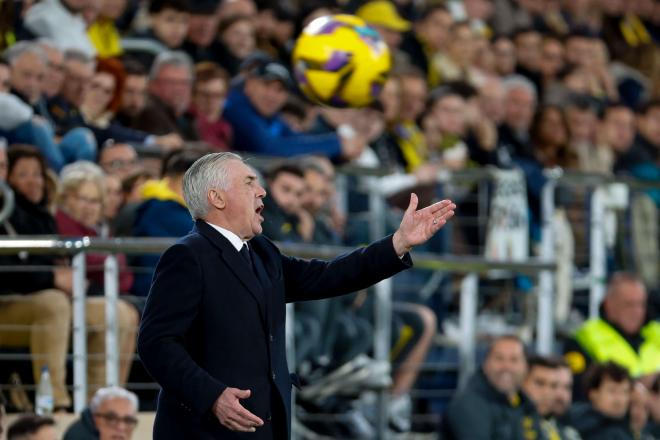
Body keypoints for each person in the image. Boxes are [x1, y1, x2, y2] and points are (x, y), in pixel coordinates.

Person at [137, 151, 455, 439]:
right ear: (217, 198)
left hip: (265, 428)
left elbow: (326, 277)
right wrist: (212, 396)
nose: (261, 191)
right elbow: (156, 344)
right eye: (249, 183)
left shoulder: (261, 251)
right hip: (205, 432)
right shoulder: (188, 256)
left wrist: (397, 244)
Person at [564, 272, 660, 397]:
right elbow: (580, 389)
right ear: (609, 304)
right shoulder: (585, 338)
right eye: (629, 304)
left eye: (641, 304)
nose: (637, 312)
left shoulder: (655, 333)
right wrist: (638, 385)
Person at [443, 335, 543, 440]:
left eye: (514, 360)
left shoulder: (525, 405)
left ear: (526, 367)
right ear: (485, 364)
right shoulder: (467, 404)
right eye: (499, 358)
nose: (506, 366)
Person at [566, 362, 635, 440]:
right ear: (593, 394)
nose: (619, 399)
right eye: (612, 391)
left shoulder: (631, 429)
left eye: (624, 392)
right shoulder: (573, 428)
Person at [64, 386, 139, 440]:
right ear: (93, 417)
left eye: (128, 420)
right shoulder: (79, 436)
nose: (121, 427)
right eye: (111, 419)